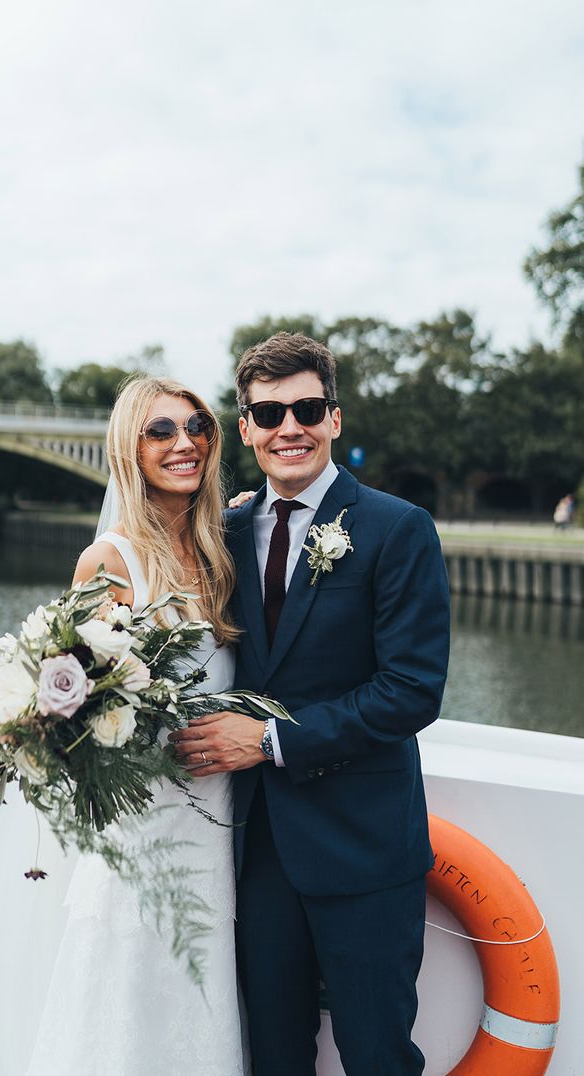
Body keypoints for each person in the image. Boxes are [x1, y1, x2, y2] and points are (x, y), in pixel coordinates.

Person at [172, 333, 450, 1075]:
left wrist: (267, 740)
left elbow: (412, 691)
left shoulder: (399, 530)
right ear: (246, 429)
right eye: (269, 413)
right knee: (273, 1057)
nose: (288, 427)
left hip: (364, 850)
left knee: (377, 1055)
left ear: (334, 418)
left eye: (306, 408)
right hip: (257, 852)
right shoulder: (222, 534)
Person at [24, 376, 247, 1075]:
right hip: (146, 827)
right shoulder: (110, 561)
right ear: (130, 447)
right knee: (126, 1005)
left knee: (198, 1002)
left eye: (198, 427)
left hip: (216, 821)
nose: (186, 443)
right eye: (161, 431)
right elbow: (74, 712)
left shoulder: (220, 551)